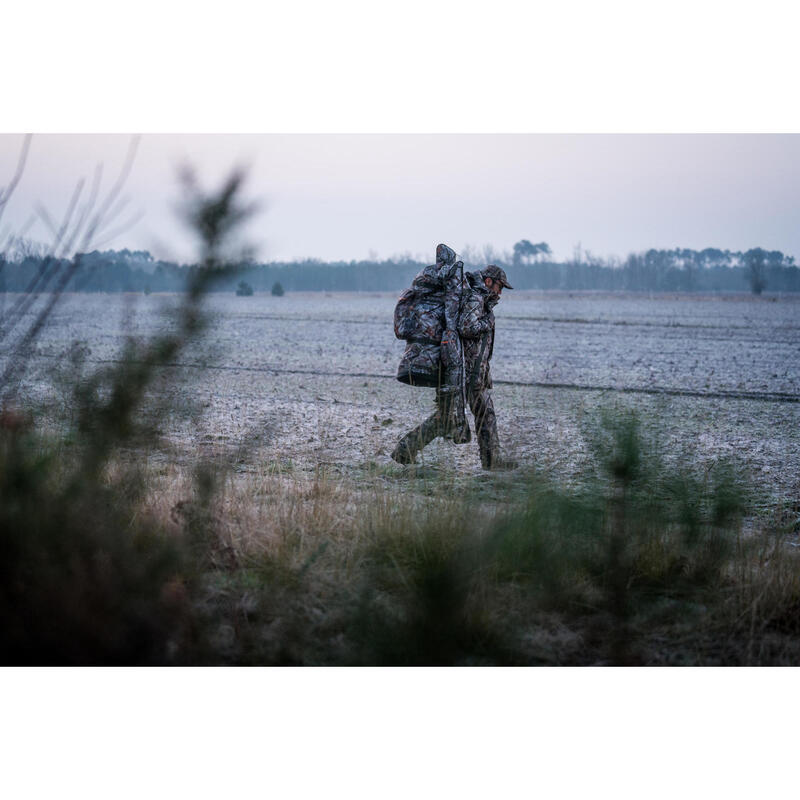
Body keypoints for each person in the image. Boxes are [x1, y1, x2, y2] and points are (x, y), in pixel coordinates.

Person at [391, 262, 517, 470]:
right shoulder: (475, 298)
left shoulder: (477, 297)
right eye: (499, 286)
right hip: (466, 371)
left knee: (464, 416)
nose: (500, 292)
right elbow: (467, 327)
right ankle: (406, 449)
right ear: (488, 281)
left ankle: (406, 450)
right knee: (468, 416)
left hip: (469, 370)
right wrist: (488, 323)